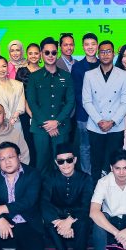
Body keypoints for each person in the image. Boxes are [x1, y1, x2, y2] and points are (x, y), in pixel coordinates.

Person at [40, 144, 93, 250]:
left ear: (75, 160)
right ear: (56, 163)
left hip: (77, 217)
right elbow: (44, 202)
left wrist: (69, 221)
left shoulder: (86, 178)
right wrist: (59, 222)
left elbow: (87, 205)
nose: (65, 164)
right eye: (61, 161)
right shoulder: (50, 177)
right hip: (58, 216)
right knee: (47, 218)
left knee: (84, 224)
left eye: (69, 160)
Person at [82, 40, 126, 181]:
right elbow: (86, 101)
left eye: (108, 51)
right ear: (98, 54)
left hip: (116, 127)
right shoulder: (89, 75)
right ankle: (95, 191)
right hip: (95, 126)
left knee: (115, 163)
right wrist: (99, 121)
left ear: (114, 53)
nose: (105, 55)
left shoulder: (123, 75)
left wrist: (112, 122)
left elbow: (125, 102)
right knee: (96, 163)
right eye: (102, 52)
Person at [27, 37, 75, 172]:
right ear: (41, 54)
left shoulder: (66, 76)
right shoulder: (34, 77)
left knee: (62, 165)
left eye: (53, 52)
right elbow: (32, 102)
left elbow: (70, 101)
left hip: (61, 128)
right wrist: (48, 125)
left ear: (57, 53)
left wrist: (57, 122)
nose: (50, 55)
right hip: (40, 129)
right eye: (47, 52)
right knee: (41, 164)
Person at [71, 33, 100, 174]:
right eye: (87, 44)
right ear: (82, 47)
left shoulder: (104, 64)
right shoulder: (77, 67)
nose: (90, 47)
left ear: (97, 46)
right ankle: (87, 175)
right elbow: (77, 93)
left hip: (103, 115)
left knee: (99, 146)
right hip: (84, 115)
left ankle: (100, 174)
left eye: (93, 44)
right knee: (85, 147)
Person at [15, 43, 41, 167]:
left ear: (40, 55)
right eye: (30, 53)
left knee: (41, 143)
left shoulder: (45, 71)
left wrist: (38, 114)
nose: (33, 56)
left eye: (36, 53)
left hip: (42, 114)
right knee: (29, 143)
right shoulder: (21, 72)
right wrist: (31, 113)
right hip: (26, 114)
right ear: (27, 55)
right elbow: (20, 95)